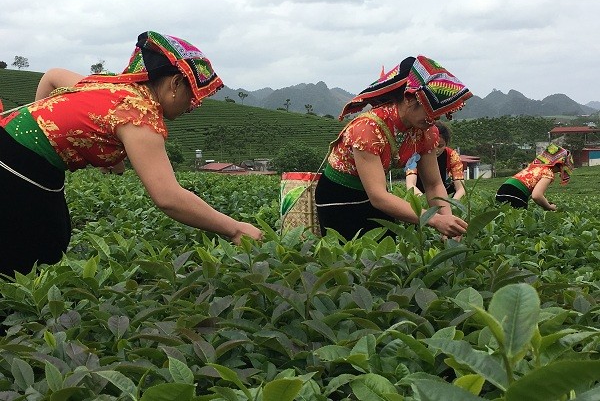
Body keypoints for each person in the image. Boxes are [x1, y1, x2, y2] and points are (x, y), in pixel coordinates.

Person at [0, 31, 262, 276]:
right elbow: (168, 197)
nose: (194, 106)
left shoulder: (114, 85)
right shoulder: (141, 117)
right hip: (18, 166)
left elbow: (53, 76)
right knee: (31, 252)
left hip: (18, 152)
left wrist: (47, 125)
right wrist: (235, 229)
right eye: (192, 96)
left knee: (52, 236)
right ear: (175, 82)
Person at [314, 55, 473, 240]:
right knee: (349, 257)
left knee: (385, 249)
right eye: (429, 114)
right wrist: (435, 220)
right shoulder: (368, 129)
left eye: (437, 117)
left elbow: (433, 183)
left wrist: (448, 220)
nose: (432, 122)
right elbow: (379, 196)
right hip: (340, 196)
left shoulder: (426, 132)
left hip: (376, 194)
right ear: (409, 98)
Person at [495, 143, 574, 210]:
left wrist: (544, 201)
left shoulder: (535, 166)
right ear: (560, 165)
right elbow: (536, 196)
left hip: (502, 191)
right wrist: (549, 207)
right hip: (516, 194)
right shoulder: (548, 172)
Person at [405, 121, 465, 199]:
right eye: (433, 145)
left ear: (446, 144)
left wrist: (452, 205)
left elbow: (461, 188)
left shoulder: (452, 155)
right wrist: (425, 203)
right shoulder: (414, 155)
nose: (436, 150)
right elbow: (410, 185)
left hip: (440, 194)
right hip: (419, 193)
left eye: (440, 146)